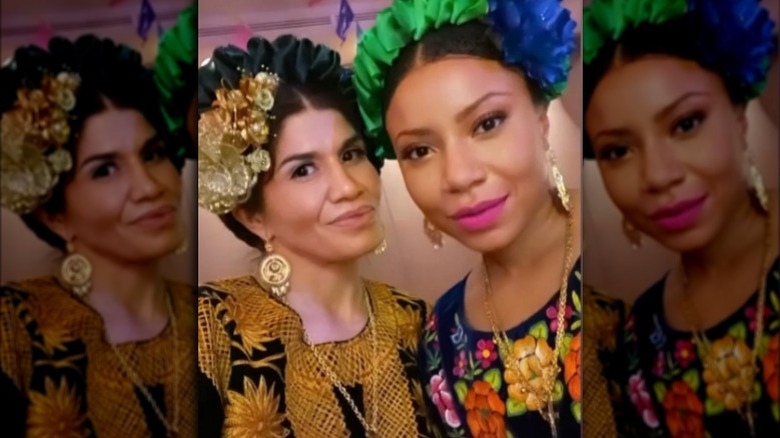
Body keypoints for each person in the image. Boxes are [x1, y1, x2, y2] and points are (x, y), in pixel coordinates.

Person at [354, 0, 582, 436]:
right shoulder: (440, 338)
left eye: (487, 123)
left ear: (540, 117)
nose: (459, 176)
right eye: (419, 151)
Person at [196, 35, 439, 437]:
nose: (347, 186)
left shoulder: (419, 323)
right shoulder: (210, 330)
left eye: (351, 154)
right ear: (253, 216)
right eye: (303, 170)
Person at [583, 0, 779, 436]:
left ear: (739, 114)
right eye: (618, 151)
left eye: (686, 123)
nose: (658, 175)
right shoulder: (638, 338)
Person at [0, 35, 195, 437]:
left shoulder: (216, 321)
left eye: (153, 153)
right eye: (105, 169)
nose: (147, 187)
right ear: (54, 216)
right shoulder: (11, 334)